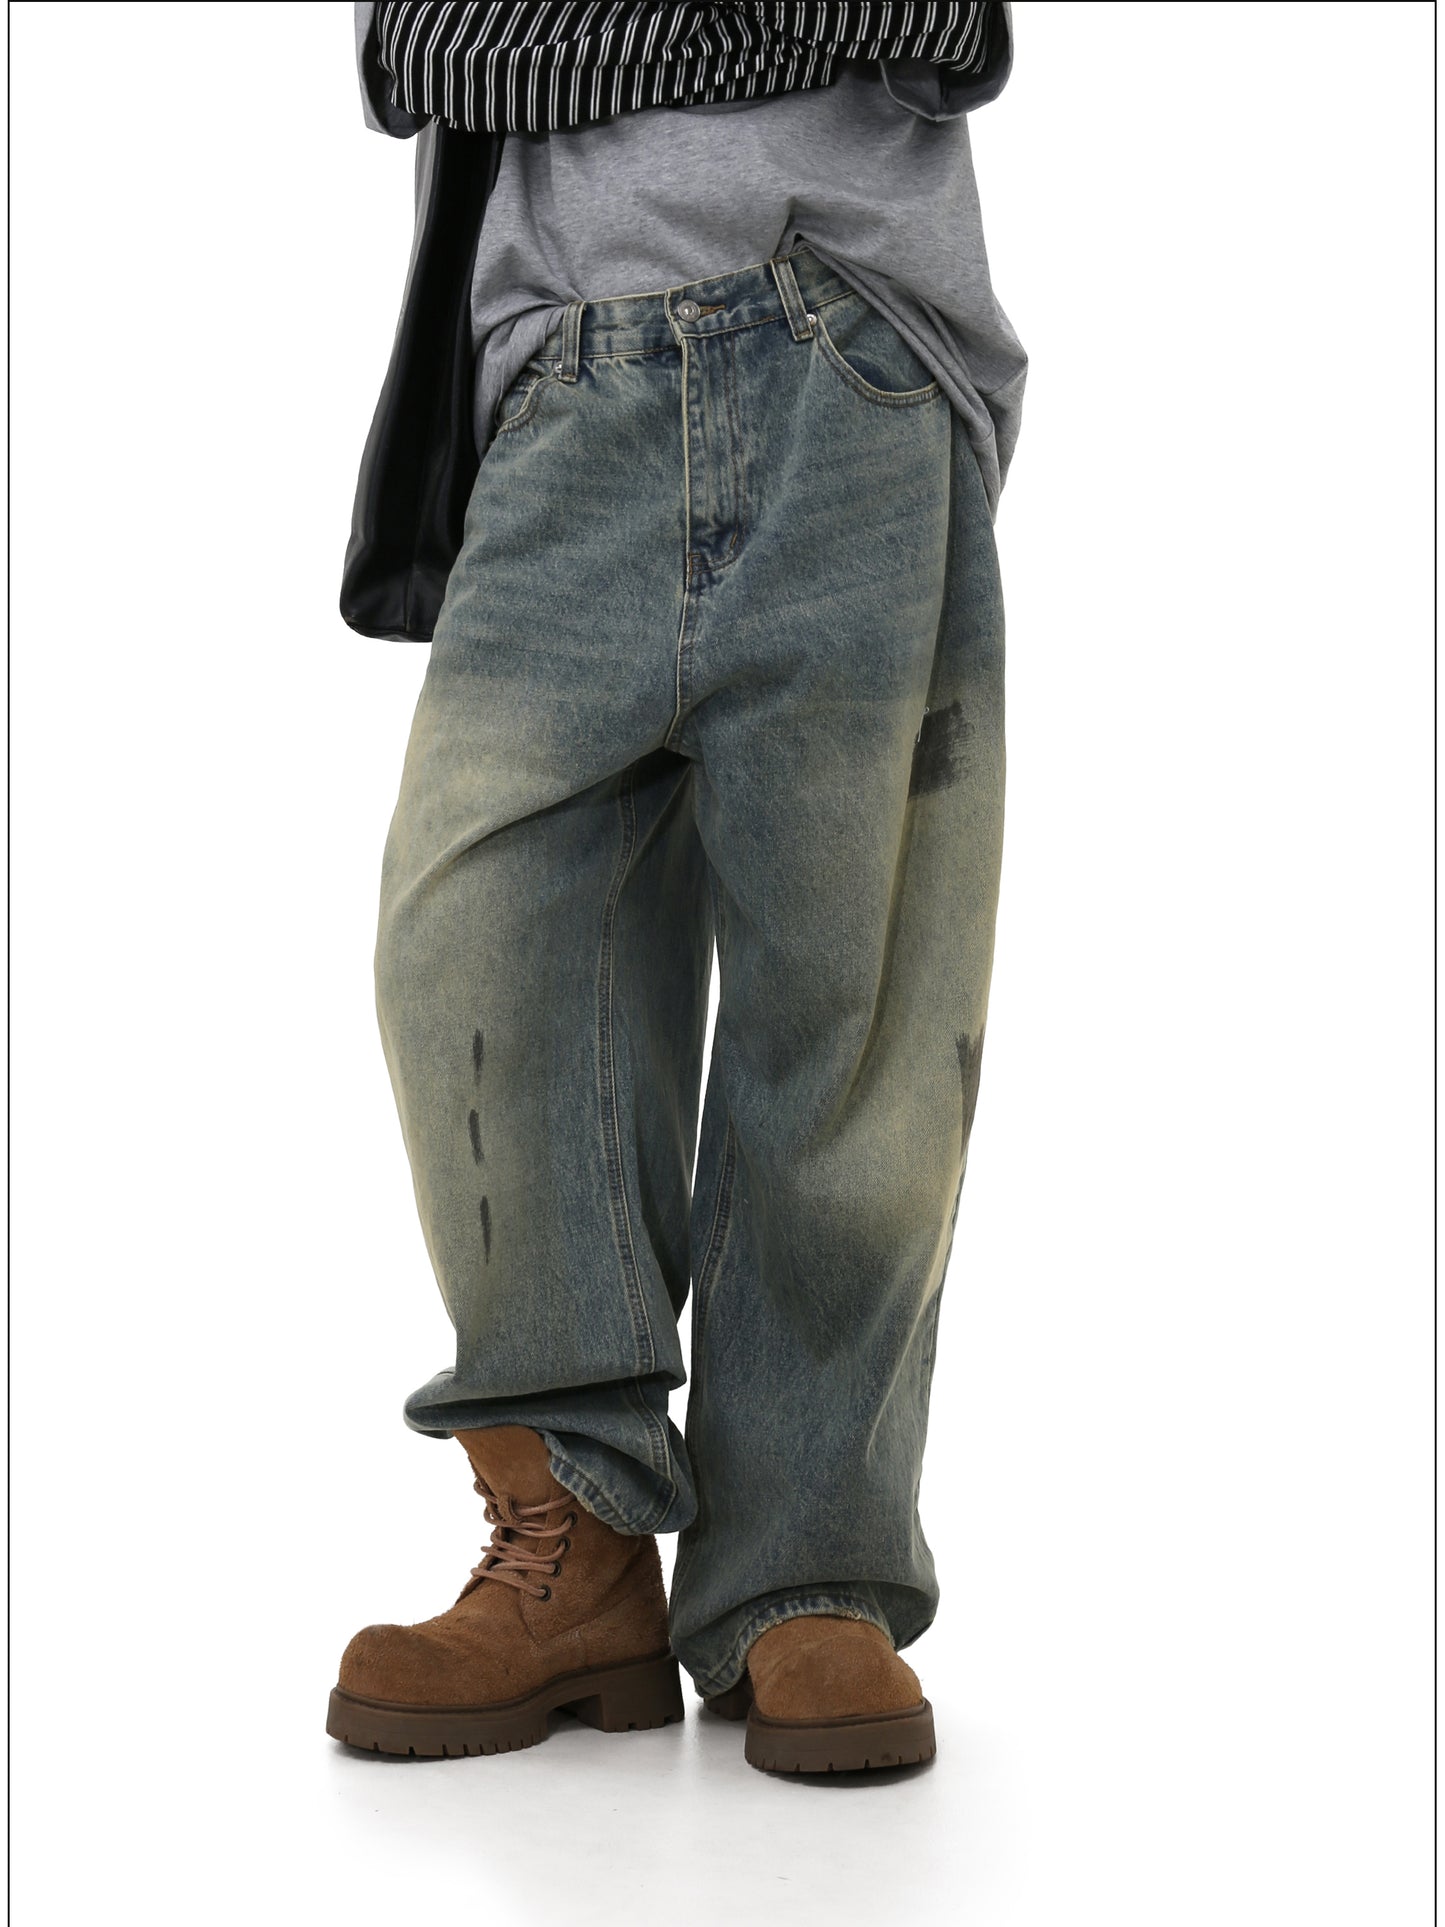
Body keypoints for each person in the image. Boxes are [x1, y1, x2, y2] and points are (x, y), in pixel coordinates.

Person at [328, 3, 1026, 1777]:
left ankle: (808, 1577)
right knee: (468, 941)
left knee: (847, 1006)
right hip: (561, 387)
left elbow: (933, 22)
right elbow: (422, 49)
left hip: (852, 357)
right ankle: (569, 1540)